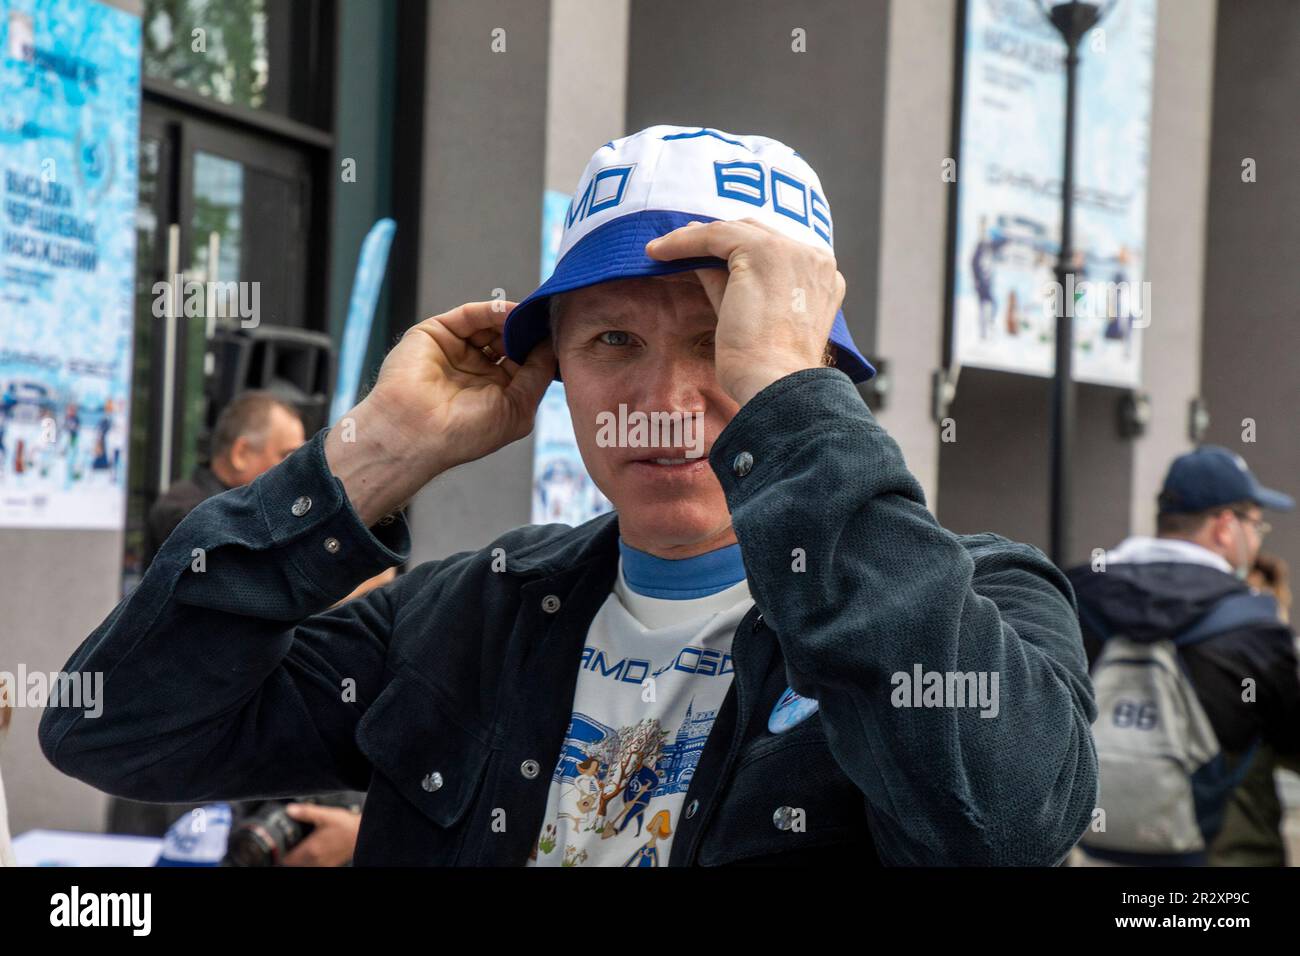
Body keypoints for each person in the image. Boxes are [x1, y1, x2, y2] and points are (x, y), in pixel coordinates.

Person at [41, 125, 1097, 866]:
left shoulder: (983, 605)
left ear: (807, 371)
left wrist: (796, 415)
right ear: (558, 375)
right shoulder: (466, 614)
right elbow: (112, 728)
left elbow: (1000, 826)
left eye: (721, 341)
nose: (664, 396)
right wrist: (369, 459)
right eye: (613, 342)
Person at [118, 389, 377, 867]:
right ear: (241, 452)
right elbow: (266, 587)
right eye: (286, 458)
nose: (295, 474)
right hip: (174, 751)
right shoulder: (188, 512)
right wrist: (355, 578)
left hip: (231, 741)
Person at [1068, 446, 1300, 865]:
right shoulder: (1256, 627)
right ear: (1226, 526)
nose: (1258, 536)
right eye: (1256, 523)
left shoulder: (1071, 596)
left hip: (1085, 852)